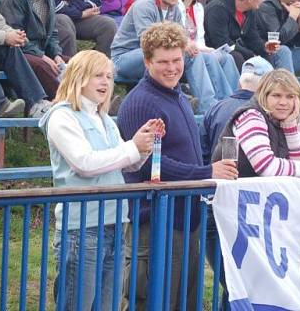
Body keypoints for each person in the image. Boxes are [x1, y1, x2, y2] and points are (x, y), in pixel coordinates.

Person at [116, 22, 237, 309]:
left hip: (185, 217)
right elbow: (145, 166)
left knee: (185, 300)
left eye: (177, 60)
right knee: (152, 301)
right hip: (155, 220)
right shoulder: (141, 102)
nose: (172, 68)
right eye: (163, 62)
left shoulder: (177, 95)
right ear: (147, 62)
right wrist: (206, 173)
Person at [39, 50, 161, 311]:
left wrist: (143, 146)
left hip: (115, 224)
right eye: (97, 75)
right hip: (82, 228)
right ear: (78, 78)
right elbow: (84, 163)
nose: (105, 82)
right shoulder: (62, 116)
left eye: (108, 76)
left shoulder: (104, 119)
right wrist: (132, 147)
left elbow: (122, 162)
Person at [111, 0, 232, 113]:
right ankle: (208, 108)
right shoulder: (144, 6)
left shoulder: (173, 8)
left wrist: (187, 44)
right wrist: (183, 45)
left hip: (156, 56)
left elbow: (181, 36)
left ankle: (226, 104)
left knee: (208, 58)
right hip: (125, 58)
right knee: (190, 56)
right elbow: (149, 42)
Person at [212, 68, 300, 178]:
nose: (283, 102)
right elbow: (266, 167)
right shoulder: (251, 116)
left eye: (290, 97)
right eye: (276, 95)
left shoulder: (283, 120)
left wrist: (290, 127)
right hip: (229, 195)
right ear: (264, 96)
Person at [0, 0, 66, 99]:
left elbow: (52, 33)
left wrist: (57, 55)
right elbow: (17, 38)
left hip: (39, 51)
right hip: (14, 53)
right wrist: (43, 57)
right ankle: (66, 102)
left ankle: (96, 103)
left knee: (77, 63)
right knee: (43, 66)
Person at [178, 0, 240, 93]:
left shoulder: (199, 8)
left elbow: (200, 38)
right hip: (184, 51)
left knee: (227, 58)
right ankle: (220, 99)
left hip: (198, 49)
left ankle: (235, 96)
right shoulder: (176, 6)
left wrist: (208, 49)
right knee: (211, 58)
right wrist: (206, 50)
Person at [201, 56, 272, 163]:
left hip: (217, 176)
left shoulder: (214, 108)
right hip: (254, 177)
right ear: (267, 85)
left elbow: (202, 152)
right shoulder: (268, 112)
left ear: (240, 82)